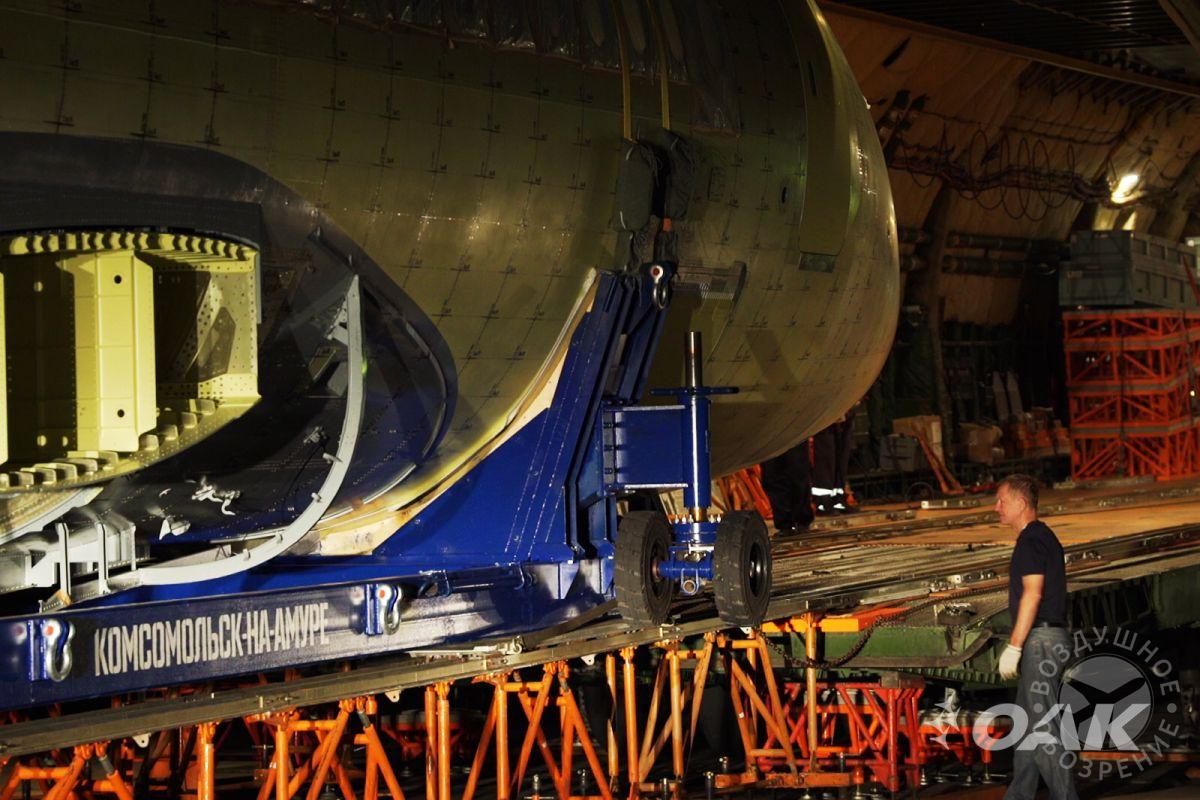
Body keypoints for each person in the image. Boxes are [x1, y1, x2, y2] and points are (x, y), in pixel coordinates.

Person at [994, 474, 1078, 800]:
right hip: (1049, 639)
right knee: (1029, 725)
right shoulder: (1043, 536)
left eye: (1002, 501)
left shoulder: (1030, 542)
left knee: (1042, 728)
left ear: (1021, 503)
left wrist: (1014, 646)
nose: (996, 507)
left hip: (1041, 642)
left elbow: (1032, 594)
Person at [760, 440, 813, 533]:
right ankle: (785, 524)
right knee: (772, 476)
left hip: (793, 436)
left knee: (798, 473)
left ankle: (801, 520)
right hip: (768, 438)